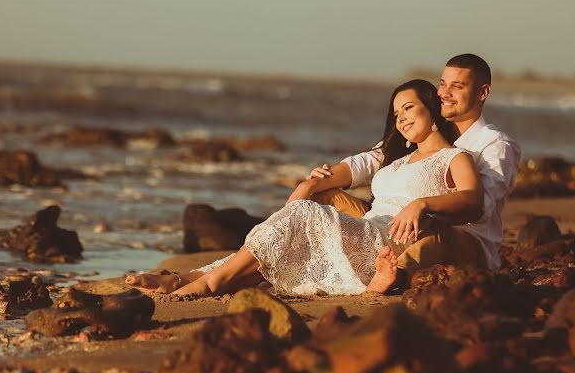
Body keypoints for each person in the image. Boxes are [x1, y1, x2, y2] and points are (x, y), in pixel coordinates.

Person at [127, 79, 483, 297]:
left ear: (432, 111)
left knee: (301, 215)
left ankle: (208, 283)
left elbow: (473, 201)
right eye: (396, 113)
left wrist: (421, 204)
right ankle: (189, 279)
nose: (402, 118)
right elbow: (354, 167)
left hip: (387, 243)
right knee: (288, 235)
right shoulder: (393, 159)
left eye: (409, 108)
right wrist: (314, 181)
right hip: (365, 230)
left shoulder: (454, 158)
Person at [308, 53, 521, 271]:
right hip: (398, 222)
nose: (444, 93)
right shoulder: (425, 128)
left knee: (435, 237)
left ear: (482, 92)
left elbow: (480, 208)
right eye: (442, 84)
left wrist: (422, 207)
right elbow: (373, 159)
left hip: (458, 239)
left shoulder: (495, 144)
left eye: (456, 86)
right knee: (321, 199)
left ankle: (391, 273)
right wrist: (321, 179)